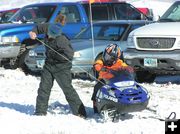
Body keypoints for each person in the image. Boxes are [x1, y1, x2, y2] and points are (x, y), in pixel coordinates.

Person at [29, 14, 87, 118]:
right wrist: (33, 32)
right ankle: (40, 112)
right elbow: (37, 28)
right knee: (44, 88)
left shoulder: (62, 40)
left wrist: (57, 54)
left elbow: (69, 55)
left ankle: (80, 112)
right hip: (49, 64)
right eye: (49, 34)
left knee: (67, 89)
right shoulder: (47, 26)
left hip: (62, 66)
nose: (50, 36)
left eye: (52, 35)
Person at [91, 43, 134, 113]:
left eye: (111, 58)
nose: (108, 59)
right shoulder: (101, 61)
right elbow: (97, 65)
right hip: (103, 80)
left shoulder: (119, 62)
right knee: (96, 88)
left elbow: (124, 65)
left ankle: (125, 103)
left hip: (115, 81)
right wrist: (102, 68)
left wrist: (128, 68)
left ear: (116, 58)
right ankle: (95, 105)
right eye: (107, 56)